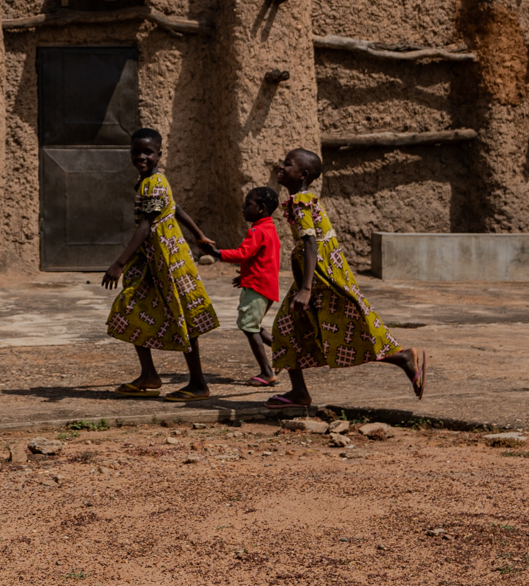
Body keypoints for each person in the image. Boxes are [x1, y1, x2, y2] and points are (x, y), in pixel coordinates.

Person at [268, 146, 425, 407]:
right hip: (325, 274)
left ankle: (403, 358)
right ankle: (299, 392)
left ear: (302, 174)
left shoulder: (300, 203)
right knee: (308, 330)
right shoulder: (304, 200)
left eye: (287, 164)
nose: (281, 167)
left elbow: (310, 243)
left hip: (320, 280)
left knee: (300, 329)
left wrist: (305, 289)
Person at [102, 127, 220, 399]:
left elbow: (146, 225)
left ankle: (198, 383)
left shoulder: (154, 183)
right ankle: (149, 375)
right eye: (136, 152)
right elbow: (176, 207)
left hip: (169, 261)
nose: (141, 157)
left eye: (148, 152)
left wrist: (119, 263)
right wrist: (199, 235)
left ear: (159, 154)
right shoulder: (151, 181)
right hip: (150, 262)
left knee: (183, 315)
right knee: (131, 307)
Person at [209, 185, 281, 386]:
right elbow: (265, 261)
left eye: (248, 204)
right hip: (264, 286)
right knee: (253, 325)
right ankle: (284, 350)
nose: (243, 208)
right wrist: (244, 277)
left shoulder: (257, 231)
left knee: (249, 327)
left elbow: (242, 254)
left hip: (257, 288)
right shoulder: (270, 229)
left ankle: (267, 372)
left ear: (261, 207)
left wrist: (216, 253)